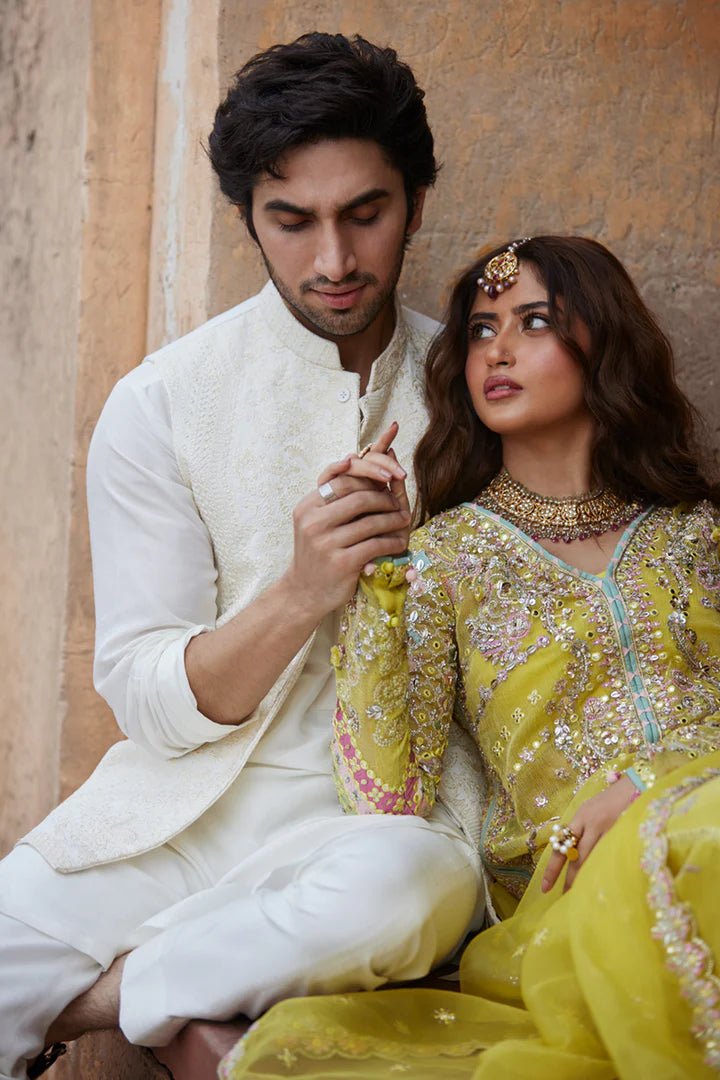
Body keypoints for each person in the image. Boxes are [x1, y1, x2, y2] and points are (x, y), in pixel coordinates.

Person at [0, 34, 487, 1080]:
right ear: (246, 220)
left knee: (399, 896)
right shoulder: (164, 402)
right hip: (183, 818)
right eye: (292, 220)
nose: (335, 261)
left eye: (367, 212)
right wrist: (301, 592)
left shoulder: (477, 389)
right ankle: (173, 967)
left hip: (384, 829)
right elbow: (145, 697)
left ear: (416, 196)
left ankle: (106, 998)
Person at [219, 236, 720, 1079]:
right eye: (482, 329)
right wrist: (379, 576)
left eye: (533, 322)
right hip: (572, 903)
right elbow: (389, 788)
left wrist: (650, 785)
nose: (499, 349)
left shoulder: (698, 535)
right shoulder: (445, 561)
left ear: (606, 341)